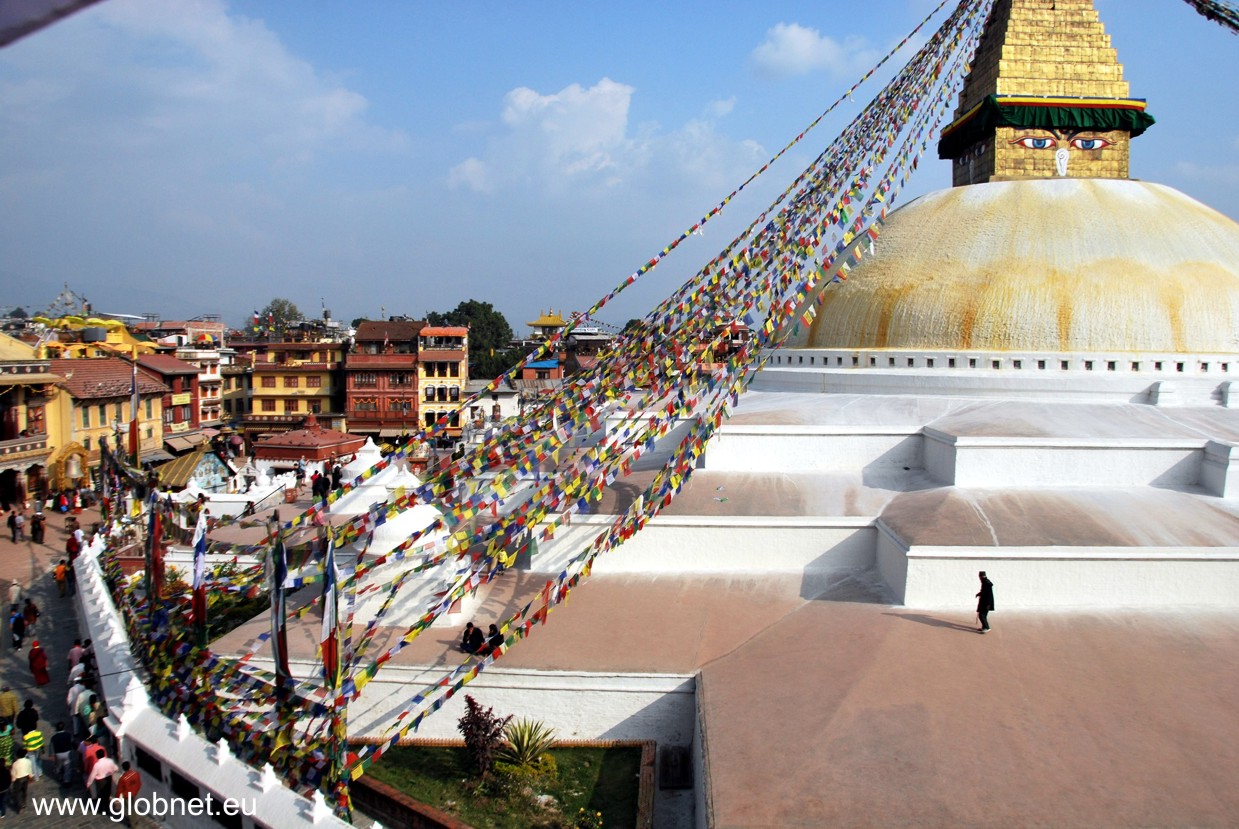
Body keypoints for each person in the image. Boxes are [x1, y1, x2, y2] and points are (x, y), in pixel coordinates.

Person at [115, 760, 142, 825]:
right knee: (133, 806)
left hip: (127, 795)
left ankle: (133, 823)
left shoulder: (123, 778)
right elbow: (139, 783)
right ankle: (135, 819)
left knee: (130, 809)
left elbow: (119, 789)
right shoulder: (136, 774)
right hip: (134, 793)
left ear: (123, 768)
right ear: (129, 766)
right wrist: (136, 790)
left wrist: (117, 798)